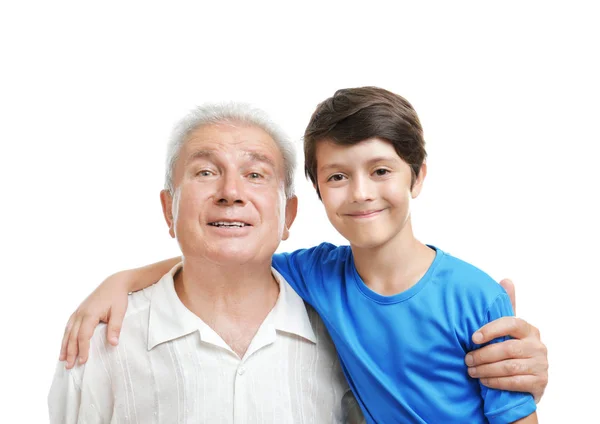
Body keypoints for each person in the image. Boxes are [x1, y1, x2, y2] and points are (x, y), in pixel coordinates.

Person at [59, 88, 548, 422]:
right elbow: (230, 253)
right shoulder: (318, 277)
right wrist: (122, 279)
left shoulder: (471, 296)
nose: (361, 193)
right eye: (337, 177)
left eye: (381, 171)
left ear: (417, 176)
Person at [49, 103, 364, 423]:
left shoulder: (342, 337)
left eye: (255, 174)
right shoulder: (100, 341)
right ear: (168, 208)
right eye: (205, 172)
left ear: (289, 215)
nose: (231, 192)